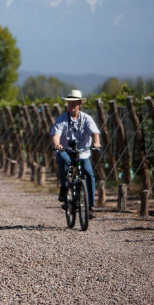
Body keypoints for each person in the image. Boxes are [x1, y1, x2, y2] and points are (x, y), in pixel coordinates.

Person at [49, 90, 101, 218]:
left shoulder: (86, 119)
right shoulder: (61, 119)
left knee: (89, 173)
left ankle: (89, 207)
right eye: (70, 103)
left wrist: (96, 142)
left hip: (82, 152)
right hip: (66, 150)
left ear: (79, 104)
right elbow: (56, 135)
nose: (72, 106)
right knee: (62, 158)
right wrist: (57, 144)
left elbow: (95, 133)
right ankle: (63, 188)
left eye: (75, 103)